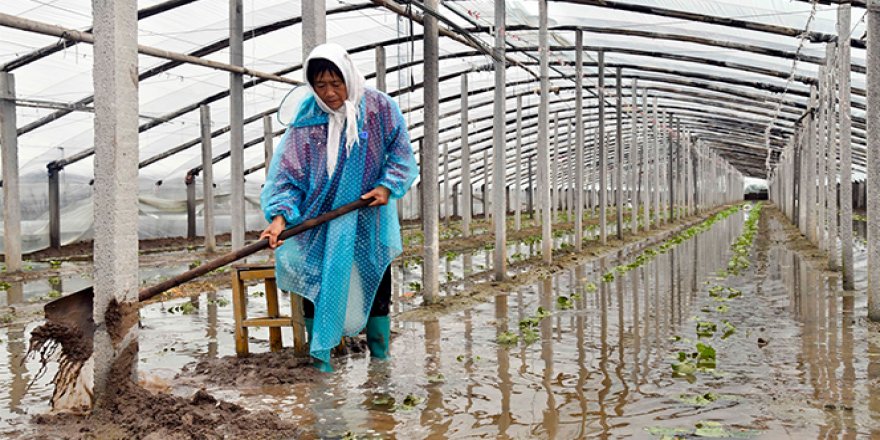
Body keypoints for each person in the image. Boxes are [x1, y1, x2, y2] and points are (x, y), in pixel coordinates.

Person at [260, 43, 418, 372]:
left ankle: (380, 363)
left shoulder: (379, 108)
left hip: (366, 217)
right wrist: (278, 219)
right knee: (313, 279)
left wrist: (387, 186)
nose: (329, 93)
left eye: (336, 83)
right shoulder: (307, 117)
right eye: (320, 85)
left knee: (374, 284)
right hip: (317, 221)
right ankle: (322, 365)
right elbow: (288, 176)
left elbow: (402, 155)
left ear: (348, 77)